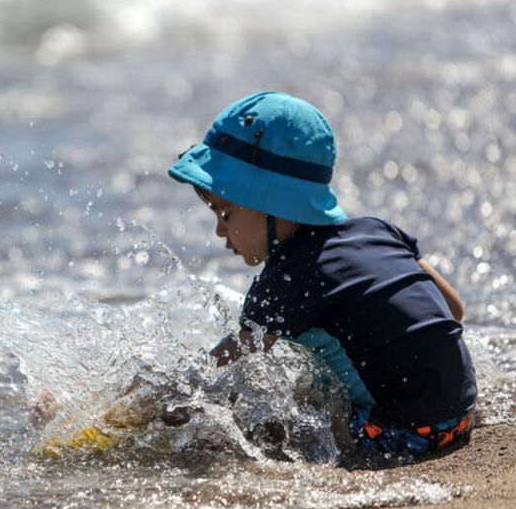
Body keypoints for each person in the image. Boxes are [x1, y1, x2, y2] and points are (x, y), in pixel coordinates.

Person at [167, 91, 477, 457]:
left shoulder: (289, 275)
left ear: (270, 202)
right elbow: (453, 309)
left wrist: (166, 402)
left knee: (268, 434)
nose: (220, 231)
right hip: (463, 417)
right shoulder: (376, 229)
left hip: (399, 434)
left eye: (225, 213)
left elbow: (221, 369)